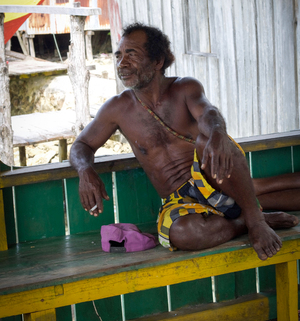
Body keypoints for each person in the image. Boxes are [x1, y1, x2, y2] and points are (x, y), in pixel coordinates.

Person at [70, 23, 299, 261]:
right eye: (118, 56)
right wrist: (85, 170)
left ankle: (255, 219)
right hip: (179, 200)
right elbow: (81, 146)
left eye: (132, 54)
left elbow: (208, 114)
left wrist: (218, 132)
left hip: (215, 181)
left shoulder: (185, 88)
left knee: (207, 139)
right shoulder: (117, 108)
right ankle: (251, 220)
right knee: (182, 235)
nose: (121, 63)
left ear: (158, 61)